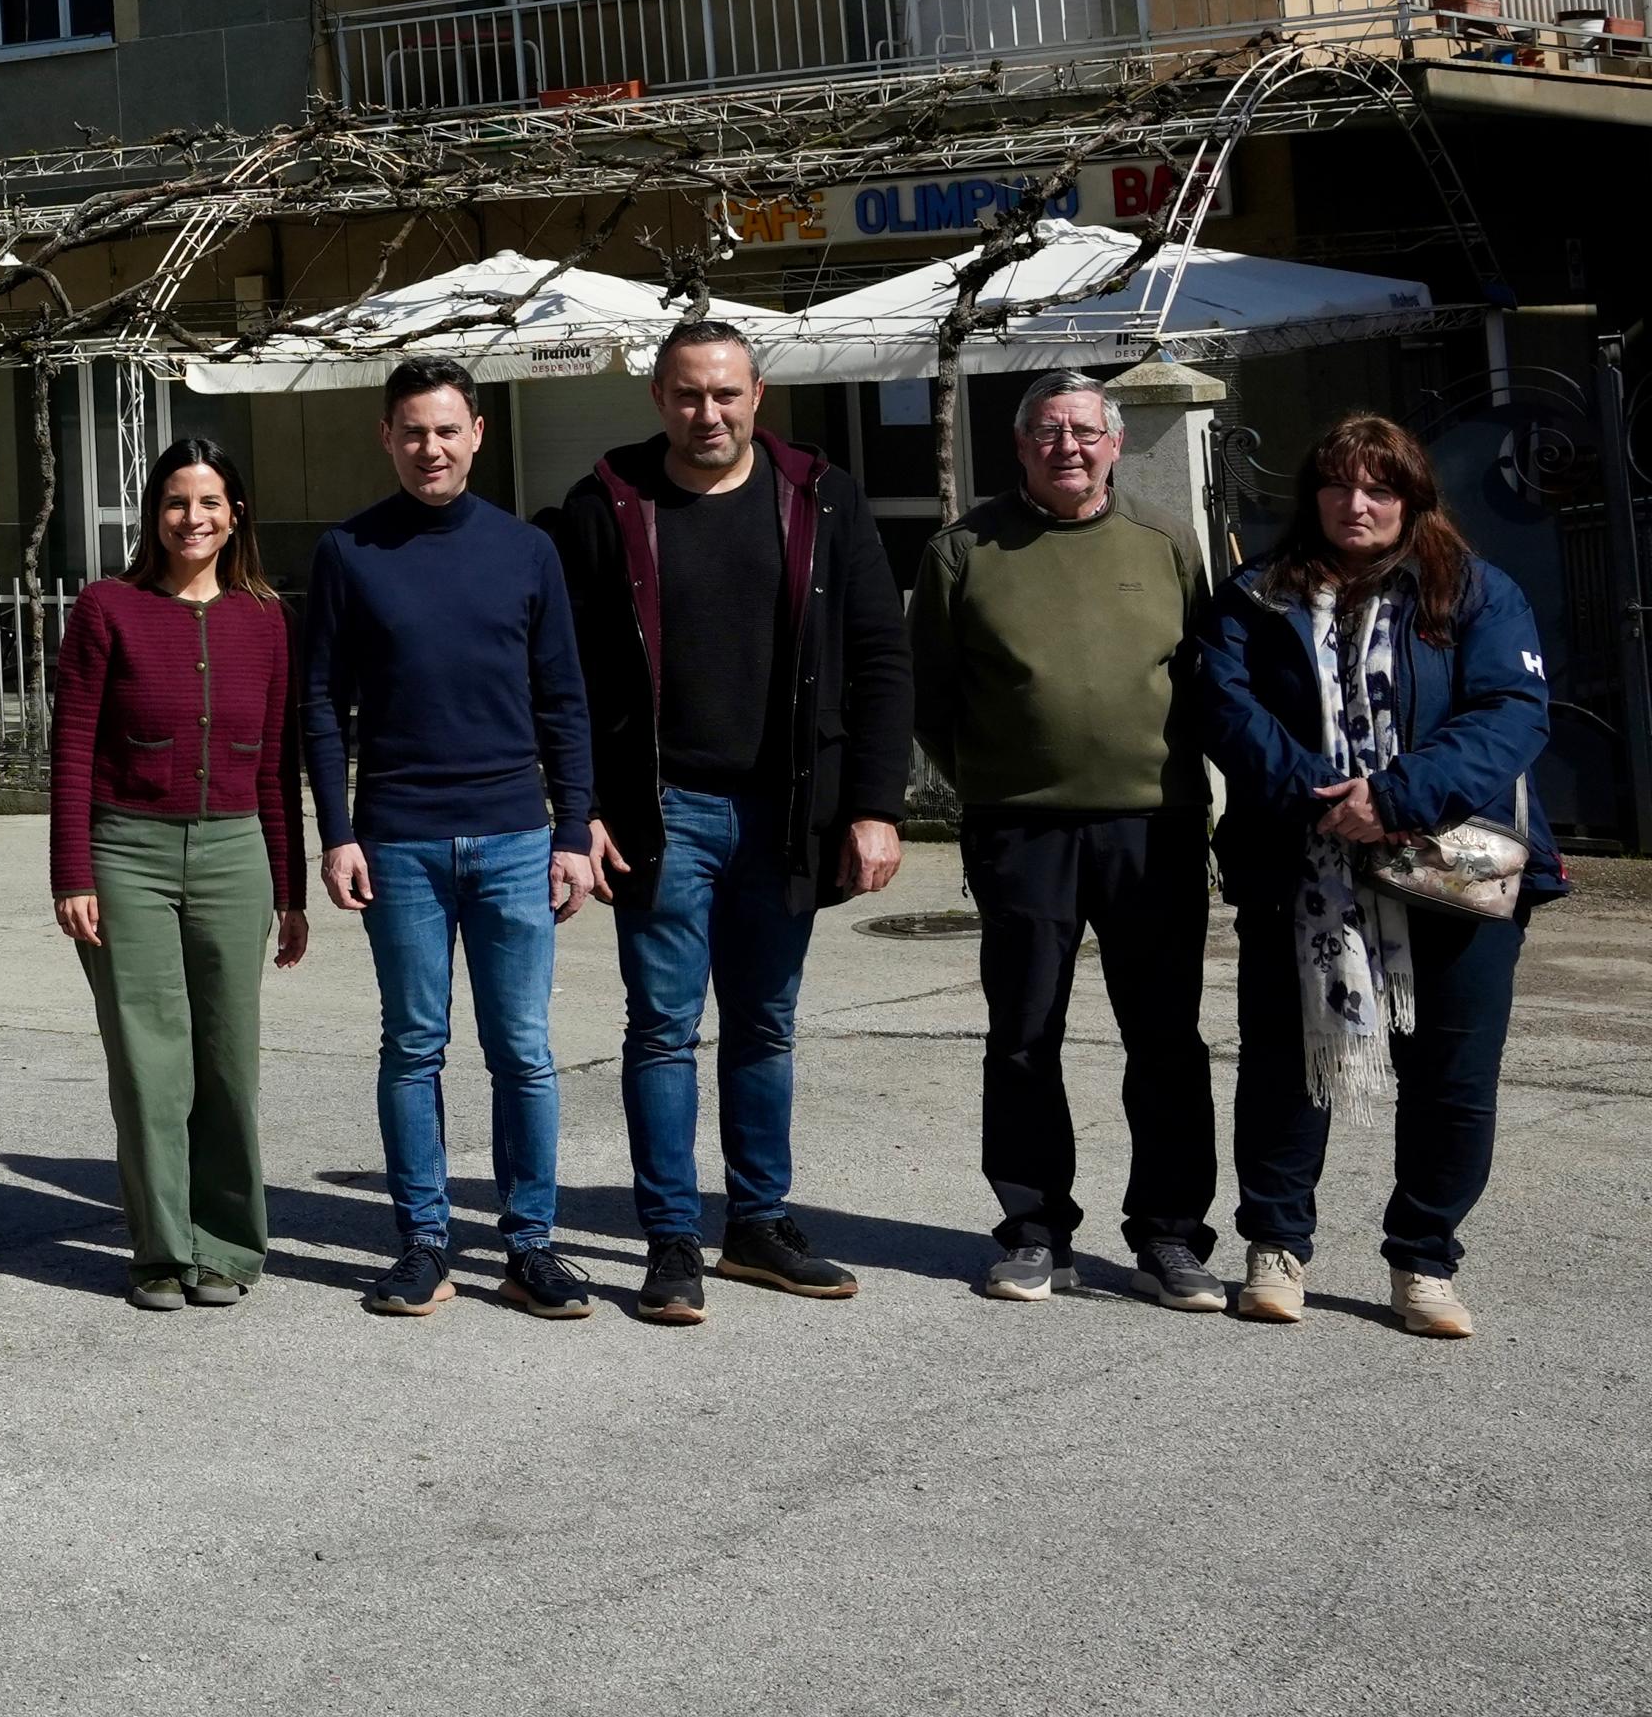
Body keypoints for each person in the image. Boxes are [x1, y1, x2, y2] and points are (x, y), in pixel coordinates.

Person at [544, 319, 916, 1323]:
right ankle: (670, 1237)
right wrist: (575, 809)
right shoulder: (604, 504)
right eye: (684, 394)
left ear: (757, 395)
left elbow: (878, 653)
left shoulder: (821, 496)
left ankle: (756, 1222)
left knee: (762, 1024)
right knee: (661, 1029)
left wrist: (875, 805)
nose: (704, 413)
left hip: (785, 809)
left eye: (723, 394)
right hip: (658, 814)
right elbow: (564, 674)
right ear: (657, 399)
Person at [1194, 413, 1562, 1340]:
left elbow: (1512, 712)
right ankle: (1275, 1247)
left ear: (1412, 498)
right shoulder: (1254, 595)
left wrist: (1393, 797)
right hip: (1299, 864)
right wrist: (1323, 797)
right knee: (1285, 1064)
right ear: (1311, 495)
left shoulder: (1475, 591)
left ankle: (1423, 1258)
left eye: (1378, 487)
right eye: (1336, 484)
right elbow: (1222, 705)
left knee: (1452, 1075)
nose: (1355, 504)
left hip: (1451, 874)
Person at [910, 368, 1222, 1308]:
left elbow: (1205, 677)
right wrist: (996, 786)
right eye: (1049, 430)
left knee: (1165, 1038)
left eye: (1085, 430)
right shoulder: (964, 549)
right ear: (1021, 444)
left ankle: (1170, 1235)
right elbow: (932, 697)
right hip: (1022, 831)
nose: (1068, 447)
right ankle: (1035, 1229)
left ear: (1115, 441)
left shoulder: (1166, 542)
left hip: (1153, 827)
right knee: (1023, 1036)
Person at [301, 354, 598, 1321]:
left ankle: (532, 1244)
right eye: (412, 431)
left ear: (479, 433)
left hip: (517, 835)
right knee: (413, 1046)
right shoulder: (350, 551)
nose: (431, 447)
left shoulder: (526, 551)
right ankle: (424, 1240)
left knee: (524, 1051)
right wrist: (338, 832)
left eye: (448, 429)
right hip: (400, 842)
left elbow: (565, 698)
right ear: (386, 438)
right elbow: (321, 702)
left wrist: (573, 829)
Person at [51, 436, 308, 1310]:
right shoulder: (107, 607)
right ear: (152, 514)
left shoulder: (265, 616)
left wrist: (291, 888)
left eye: (209, 502)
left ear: (236, 513)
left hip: (238, 852)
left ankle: (229, 1243)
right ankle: (162, 1249)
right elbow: (73, 747)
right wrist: (71, 873)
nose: (192, 519)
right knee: (150, 1062)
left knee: (229, 1059)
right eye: (174, 502)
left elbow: (278, 762)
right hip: (128, 854)